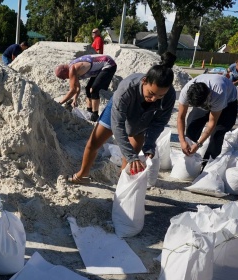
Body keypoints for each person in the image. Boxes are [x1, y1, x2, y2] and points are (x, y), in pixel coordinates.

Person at [67, 53, 177, 184]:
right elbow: (118, 125)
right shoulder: (127, 88)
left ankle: (122, 181)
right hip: (118, 109)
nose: (154, 99)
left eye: (160, 96)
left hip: (143, 113)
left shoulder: (169, 95)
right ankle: (82, 175)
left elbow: (160, 122)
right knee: (94, 143)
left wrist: (149, 144)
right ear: (144, 81)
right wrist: (132, 156)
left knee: (133, 154)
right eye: (151, 93)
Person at [176, 73, 238, 161]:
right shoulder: (186, 92)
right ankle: (189, 155)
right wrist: (182, 141)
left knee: (217, 132)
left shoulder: (218, 93)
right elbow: (180, 117)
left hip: (228, 102)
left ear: (208, 95)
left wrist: (198, 144)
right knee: (192, 123)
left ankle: (208, 163)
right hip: (206, 97)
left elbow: (212, 123)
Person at [54, 54, 117, 121]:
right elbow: (77, 87)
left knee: (94, 89)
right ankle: (89, 112)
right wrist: (75, 99)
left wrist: (60, 103)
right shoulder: (71, 68)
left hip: (109, 64)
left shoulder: (72, 69)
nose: (64, 79)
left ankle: (95, 115)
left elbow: (72, 90)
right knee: (88, 89)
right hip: (100, 67)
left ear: (64, 71)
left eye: (62, 76)